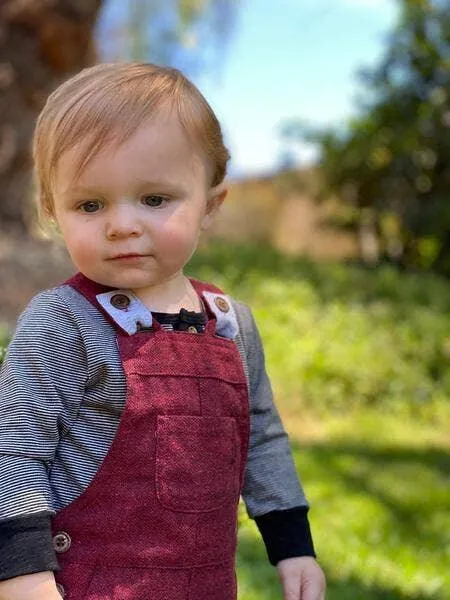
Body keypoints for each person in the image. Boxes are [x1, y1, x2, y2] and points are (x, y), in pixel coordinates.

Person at [0, 63, 326, 600]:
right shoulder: (62, 321)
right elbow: (15, 450)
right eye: (90, 204)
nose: (122, 224)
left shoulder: (229, 323)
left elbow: (261, 437)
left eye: (154, 199)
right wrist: (23, 575)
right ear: (53, 210)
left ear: (210, 206)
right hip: (83, 585)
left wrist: (292, 543)